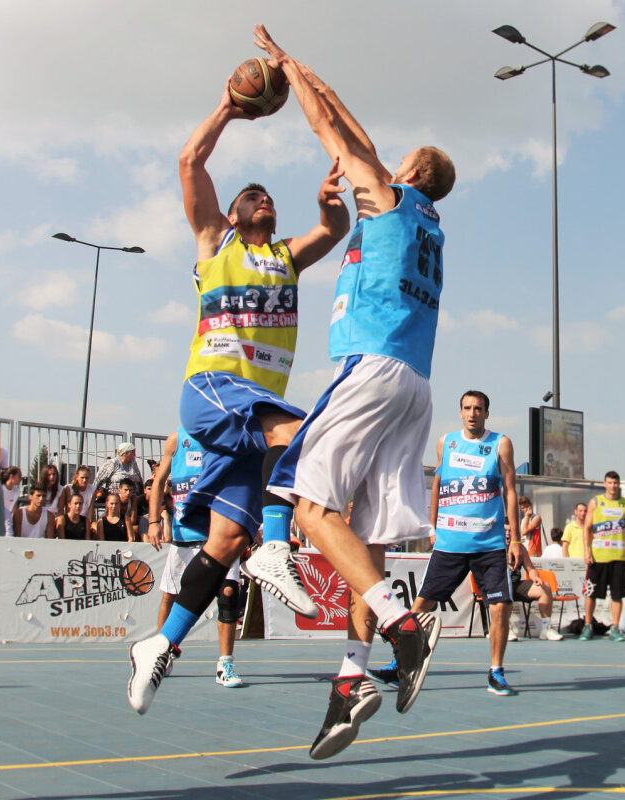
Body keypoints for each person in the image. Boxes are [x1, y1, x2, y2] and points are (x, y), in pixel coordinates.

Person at [125, 36, 355, 718]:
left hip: (250, 413)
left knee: (224, 543)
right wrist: (229, 106)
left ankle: (160, 646)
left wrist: (328, 203)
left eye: (270, 199)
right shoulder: (214, 243)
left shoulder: (286, 256)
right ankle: (279, 548)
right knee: (307, 435)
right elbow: (189, 160)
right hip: (214, 388)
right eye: (253, 196)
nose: (264, 202)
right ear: (231, 212)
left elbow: (333, 231)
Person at [253, 25, 455, 759]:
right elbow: (347, 120)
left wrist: (285, 69)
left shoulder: (390, 200)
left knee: (309, 510)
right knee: (361, 541)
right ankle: (350, 681)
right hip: (415, 384)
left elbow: (328, 126)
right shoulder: (429, 223)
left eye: (393, 162)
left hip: (369, 371)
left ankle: (405, 627)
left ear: (407, 173)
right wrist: (311, 73)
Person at [368, 390, 528, 704]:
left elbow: (510, 490)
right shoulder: (447, 443)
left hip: (489, 544)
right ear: (460, 412)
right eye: (467, 408)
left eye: (478, 409)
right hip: (450, 543)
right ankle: (399, 664)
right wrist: (431, 526)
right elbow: (439, 484)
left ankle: (496, 671)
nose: (472, 413)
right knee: (420, 606)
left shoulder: (500, 444)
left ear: (486, 413)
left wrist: (518, 539)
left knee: (500, 606)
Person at [146, 428, 246, 689]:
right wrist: (154, 520)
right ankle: (160, 654)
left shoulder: (225, 437)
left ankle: (225, 663)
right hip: (184, 534)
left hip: (218, 532)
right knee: (171, 595)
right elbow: (158, 482)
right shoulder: (176, 440)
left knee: (227, 594)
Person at [580, 470, 625, 642]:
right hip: (598, 557)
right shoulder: (596, 503)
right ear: (605, 484)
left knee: (617, 595)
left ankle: (615, 627)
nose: (613, 486)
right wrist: (587, 551)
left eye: (615, 483)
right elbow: (587, 527)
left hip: (619, 558)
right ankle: (587, 625)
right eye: (609, 483)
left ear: (619, 484)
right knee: (591, 593)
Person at [0, 466, 23, 533]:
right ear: (11, 476)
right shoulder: (0, 489)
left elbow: (14, 510)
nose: (21, 478)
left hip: (8, 522)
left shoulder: (17, 491)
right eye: (19, 476)